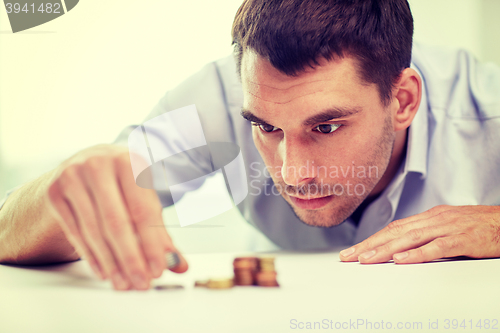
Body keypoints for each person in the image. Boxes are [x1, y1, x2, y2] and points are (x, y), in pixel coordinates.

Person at [1, 0, 499, 291]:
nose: (293, 173)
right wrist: (62, 196)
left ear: (404, 99)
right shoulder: (217, 103)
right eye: (266, 128)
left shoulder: (488, 110)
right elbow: (5, 230)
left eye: (326, 127)